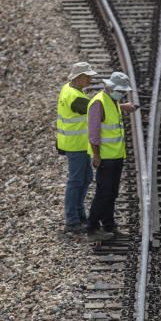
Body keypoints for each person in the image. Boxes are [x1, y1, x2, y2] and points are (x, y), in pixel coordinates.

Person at [85, 71, 137, 242]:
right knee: (103, 193)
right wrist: (96, 155)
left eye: (123, 92)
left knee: (112, 193)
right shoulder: (98, 102)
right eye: (120, 91)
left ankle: (109, 226)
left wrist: (123, 106)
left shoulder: (112, 101)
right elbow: (93, 133)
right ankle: (92, 228)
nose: (121, 94)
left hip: (116, 156)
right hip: (105, 157)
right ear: (110, 86)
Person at [56, 62, 98, 234]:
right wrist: (119, 106)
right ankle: (72, 220)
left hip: (79, 144)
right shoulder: (74, 97)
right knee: (76, 181)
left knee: (85, 178)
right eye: (87, 77)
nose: (90, 79)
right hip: (76, 145)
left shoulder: (70, 89)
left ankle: (79, 215)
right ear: (78, 77)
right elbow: (94, 111)